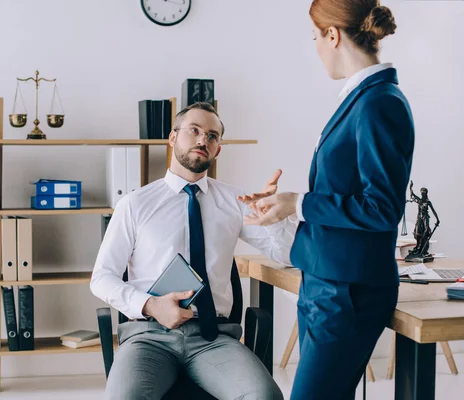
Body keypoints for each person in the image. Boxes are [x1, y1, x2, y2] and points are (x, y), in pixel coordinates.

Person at [240, 1, 415, 399]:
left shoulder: (379, 102)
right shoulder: (361, 98)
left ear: (332, 35)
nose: (317, 47)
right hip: (326, 282)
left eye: (315, 36)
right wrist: (286, 209)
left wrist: (298, 203)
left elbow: (382, 208)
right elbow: (346, 196)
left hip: (347, 292)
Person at [90, 102, 297, 400]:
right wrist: (150, 305)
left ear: (218, 150)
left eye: (212, 136)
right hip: (149, 336)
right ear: (173, 138)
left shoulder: (234, 202)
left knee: (264, 396)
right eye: (194, 131)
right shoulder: (135, 204)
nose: (203, 140)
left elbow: (287, 254)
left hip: (213, 338)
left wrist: (276, 217)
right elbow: (102, 278)